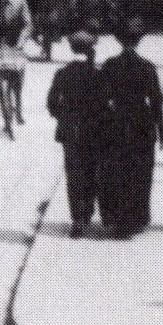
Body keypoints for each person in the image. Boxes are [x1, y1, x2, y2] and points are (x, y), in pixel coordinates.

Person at [97, 19, 163, 237]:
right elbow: (155, 102)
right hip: (142, 124)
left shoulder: (109, 66)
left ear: (119, 41)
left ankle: (118, 218)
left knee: (116, 171)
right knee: (140, 172)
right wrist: (162, 131)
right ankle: (136, 218)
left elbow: (101, 99)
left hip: (116, 122)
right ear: (138, 42)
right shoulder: (147, 67)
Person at [46, 30, 105, 236]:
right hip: (93, 131)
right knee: (91, 171)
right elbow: (104, 104)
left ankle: (77, 218)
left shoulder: (62, 74)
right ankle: (88, 210)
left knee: (73, 174)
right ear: (90, 50)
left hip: (70, 131)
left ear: (72, 49)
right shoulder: (97, 74)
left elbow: (52, 103)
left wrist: (63, 117)